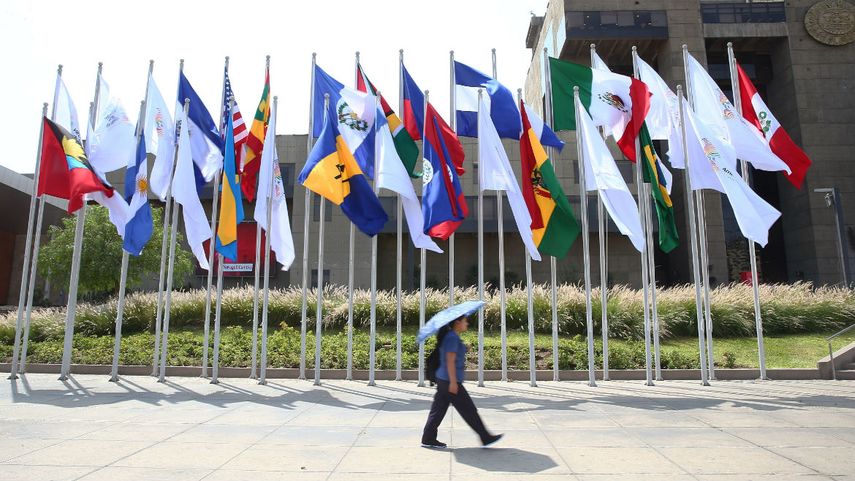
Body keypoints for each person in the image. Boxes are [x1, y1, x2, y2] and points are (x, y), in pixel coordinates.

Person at [421, 314, 503, 449]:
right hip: (449, 380)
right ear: (457, 322)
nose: (467, 324)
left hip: (443, 379)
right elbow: (450, 361)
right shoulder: (452, 338)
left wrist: (464, 347)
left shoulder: (451, 337)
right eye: (465, 321)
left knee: (438, 409)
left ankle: (428, 437)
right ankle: (485, 437)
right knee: (469, 409)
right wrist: (453, 383)